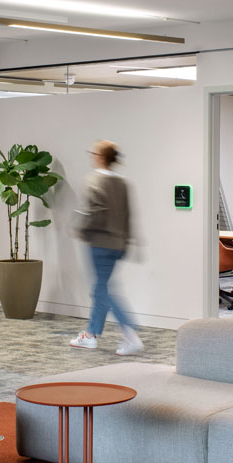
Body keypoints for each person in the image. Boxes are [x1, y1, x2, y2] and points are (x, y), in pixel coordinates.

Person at [70, 140, 143, 355]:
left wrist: (82, 228)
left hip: (100, 243)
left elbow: (94, 212)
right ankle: (91, 335)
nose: (92, 156)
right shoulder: (123, 183)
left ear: (101, 157)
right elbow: (129, 214)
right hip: (118, 244)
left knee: (103, 290)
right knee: (101, 288)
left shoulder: (94, 180)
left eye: (94, 153)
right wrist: (127, 241)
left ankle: (130, 333)